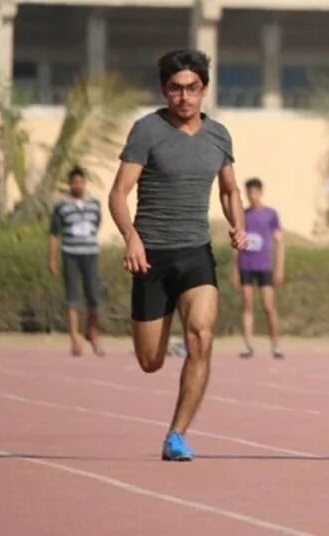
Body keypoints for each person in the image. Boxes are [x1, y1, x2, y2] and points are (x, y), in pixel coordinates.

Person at [109, 49, 247, 462]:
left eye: (192, 88)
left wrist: (238, 223)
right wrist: (131, 237)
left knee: (202, 337)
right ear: (164, 90)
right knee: (150, 361)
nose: (184, 97)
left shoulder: (219, 135)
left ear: (204, 90)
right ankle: (162, 330)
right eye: (175, 88)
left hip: (195, 253)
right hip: (151, 256)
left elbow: (228, 189)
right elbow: (118, 193)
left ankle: (177, 435)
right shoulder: (147, 131)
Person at [50, 165, 106, 357]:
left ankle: (92, 331)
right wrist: (52, 259)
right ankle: (75, 337)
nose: (78, 185)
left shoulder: (95, 203)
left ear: (84, 183)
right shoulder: (61, 206)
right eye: (74, 182)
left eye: (81, 182)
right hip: (70, 254)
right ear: (70, 184)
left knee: (94, 298)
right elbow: (54, 234)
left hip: (90, 254)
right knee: (73, 298)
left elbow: (97, 224)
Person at [230, 177, 285, 359]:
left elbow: (279, 242)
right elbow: (236, 244)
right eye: (249, 193)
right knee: (247, 305)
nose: (252, 197)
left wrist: (279, 268)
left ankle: (275, 344)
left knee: (269, 306)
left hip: (264, 266)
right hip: (246, 264)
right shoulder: (243, 216)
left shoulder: (270, 215)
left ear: (260, 193)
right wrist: (235, 269)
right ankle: (248, 345)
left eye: (255, 193)